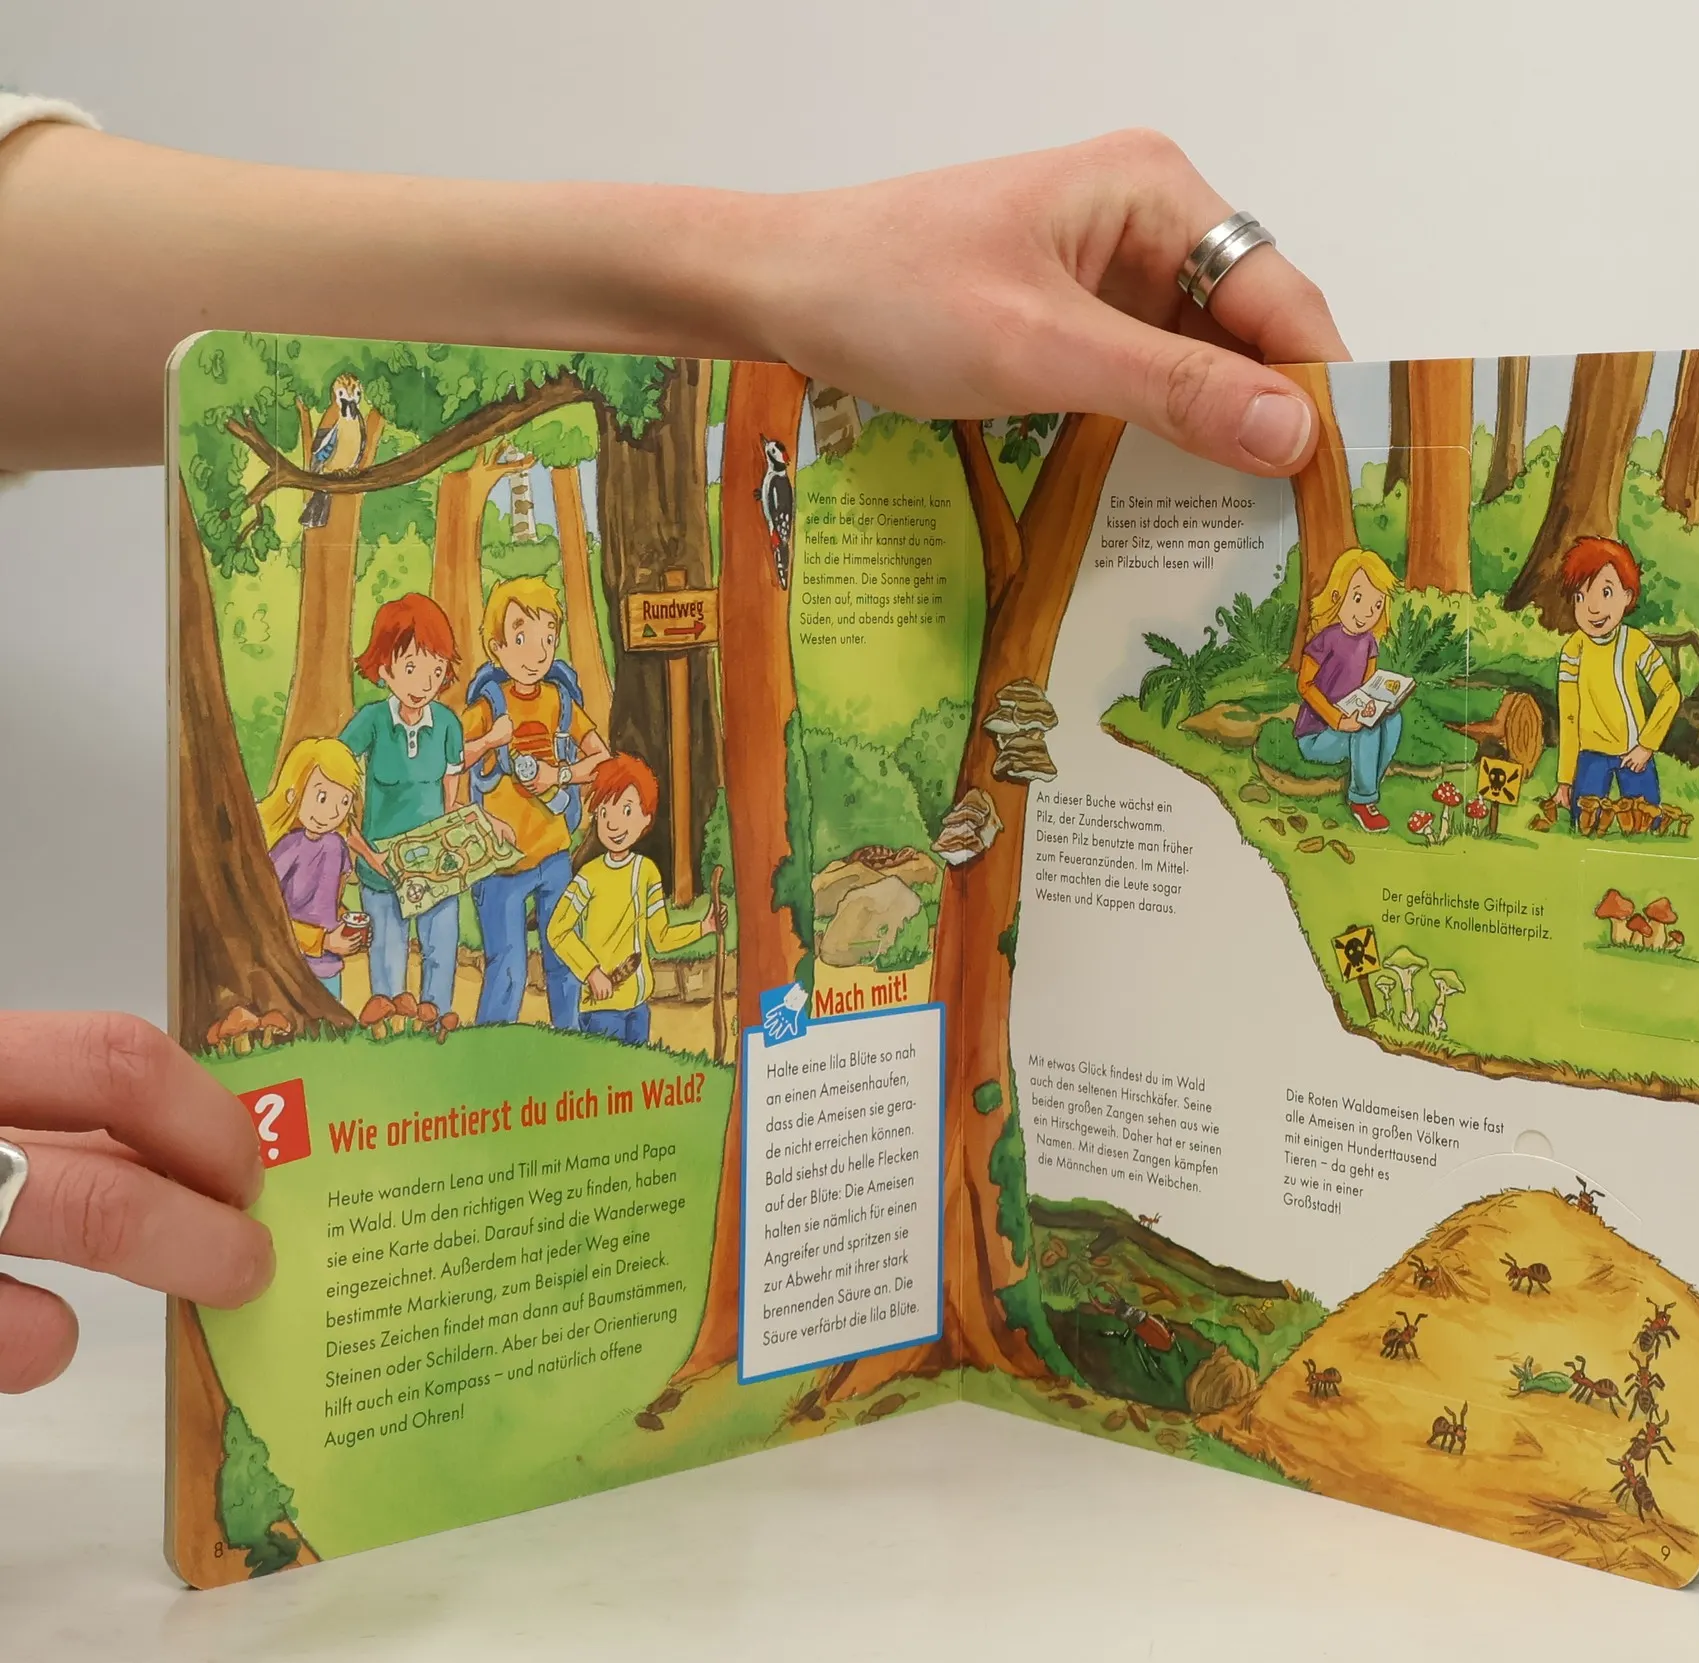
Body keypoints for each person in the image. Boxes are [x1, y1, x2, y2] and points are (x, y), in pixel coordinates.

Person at [0, 95, 1344, 1393]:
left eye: (513, 641)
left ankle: (498, 1022)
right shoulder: (432, 711)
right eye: (481, 645)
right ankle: (432, 1022)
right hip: (445, 850)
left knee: (520, 951)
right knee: (458, 949)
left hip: (519, 849)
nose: (500, 656)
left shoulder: (551, 744)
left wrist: (763, 271)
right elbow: (404, 765)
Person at [463, 578, 609, 1028]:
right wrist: (491, 740)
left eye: (548, 637)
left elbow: (601, 758)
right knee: (507, 967)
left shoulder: (560, 701)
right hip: (501, 864)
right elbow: (450, 760)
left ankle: (571, 1038)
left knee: (564, 957)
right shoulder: (488, 704)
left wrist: (558, 775)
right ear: (497, 647)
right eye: (522, 637)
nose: (537, 652)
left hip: (554, 856)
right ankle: (493, 1046)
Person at [339, 593, 468, 1015]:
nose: (424, 683)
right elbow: (335, 774)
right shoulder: (371, 721)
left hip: (435, 866)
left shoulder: (447, 724)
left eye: (436, 670)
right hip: (381, 865)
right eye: (411, 668)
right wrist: (364, 851)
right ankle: (390, 1020)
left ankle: (437, 1019)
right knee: (387, 959)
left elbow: (452, 791)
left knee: (440, 949)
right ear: (385, 669)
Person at [547, 755, 715, 1046]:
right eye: (605, 811)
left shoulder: (646, 872)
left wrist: (703, 928)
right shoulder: (589, 876)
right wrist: (591, 972)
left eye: (626, 810)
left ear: (646, 818)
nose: (613, 824)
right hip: (601, 1006)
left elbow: (660, 937)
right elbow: (557, 930)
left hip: (638, 1006)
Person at [1552, 536, 1680, 822]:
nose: (1593, 608)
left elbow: (1670, 693)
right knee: (1583, 824)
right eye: (1580, 596)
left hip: (1633, 753)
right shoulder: (1573, 650)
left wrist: (1646, 746)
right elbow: (1569, 716)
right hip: (1590, 755)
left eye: (1606, 592)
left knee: (1647, 824)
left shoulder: (1635, 643)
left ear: (1627, 596)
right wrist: (1564, 780)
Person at [1292, 546, 1402, 833]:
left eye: (1376, 605)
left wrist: (1382, 702)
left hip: (1350, 722)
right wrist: (1338, 720)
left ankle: (1369, 782)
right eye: (1359, 598)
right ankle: (1362, 801)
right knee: (1366, 729)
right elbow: (1304, 685)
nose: (1367, 612)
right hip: (1317, 735)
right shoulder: (1325, 640)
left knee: (1392, 720)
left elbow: (1368, 687)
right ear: (1337, 595)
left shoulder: (1369, 642)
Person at [258, 737, 369, 997]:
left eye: (344, 802)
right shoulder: (287, 847)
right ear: (293, 792)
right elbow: (268, 914)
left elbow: (328, 904)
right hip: (292, 967)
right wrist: (322, 940)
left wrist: (349, 927)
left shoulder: (336, 846)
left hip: (329, 967)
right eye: (322, 797)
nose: (332, 812)